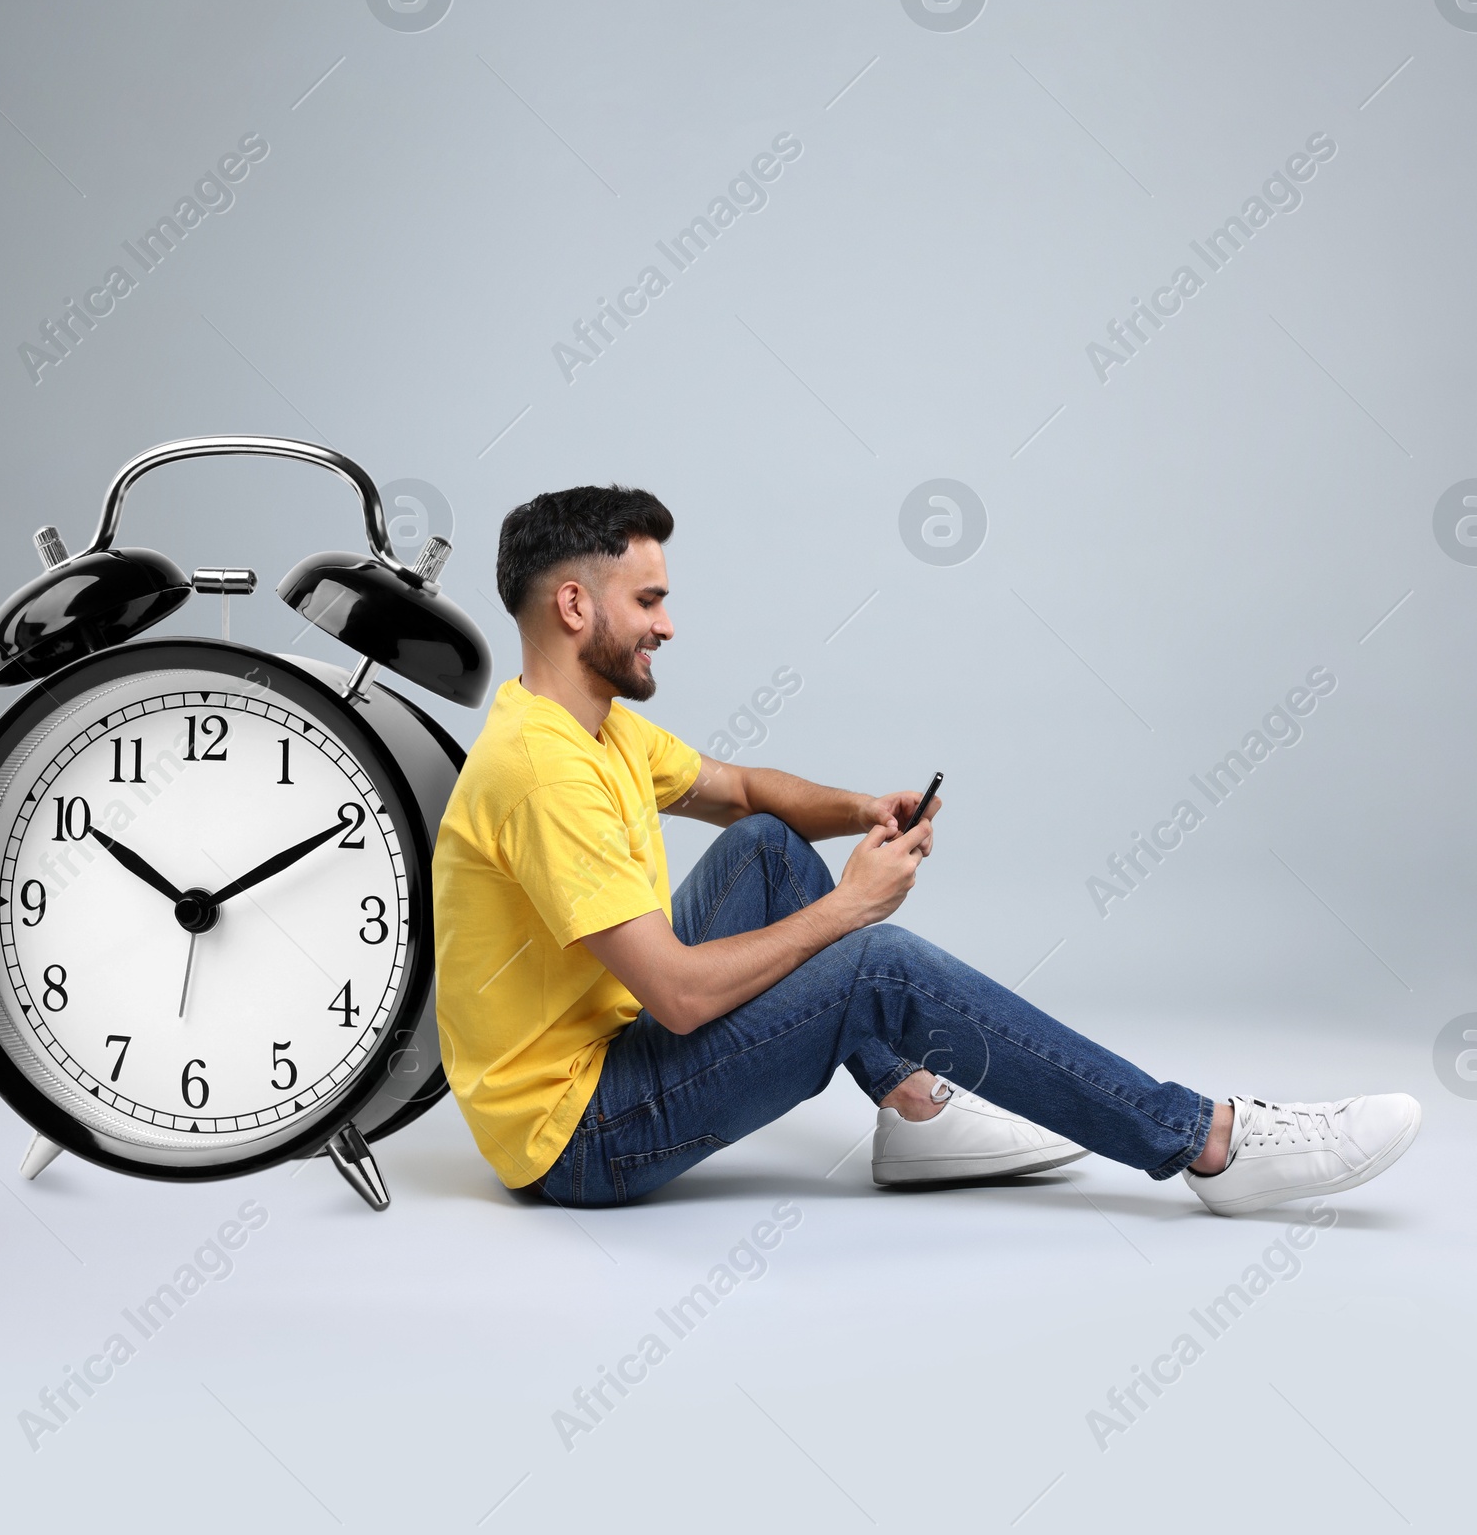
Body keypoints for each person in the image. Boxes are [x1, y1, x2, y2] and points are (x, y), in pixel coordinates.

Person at [430, 486, 1421, 1213]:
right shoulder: (544, 774)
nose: (667, 623)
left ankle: (910, 1109)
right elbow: (681, 995)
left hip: (604, 1051)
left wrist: (862, 808)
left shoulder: (586, 727)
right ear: (573, 606)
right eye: (646, 600)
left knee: (770, 845)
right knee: (877, 962)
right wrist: (851, 906)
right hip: (581, 1136)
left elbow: (736, 792)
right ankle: (1207, 1143)